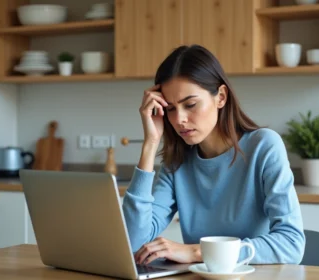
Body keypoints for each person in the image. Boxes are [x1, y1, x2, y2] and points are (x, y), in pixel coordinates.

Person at [122, 44, 305, 266]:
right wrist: (150, 144)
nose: (179, 119)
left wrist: (198, 252)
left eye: (190, 104)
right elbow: (133, 242)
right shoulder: (177, 162)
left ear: (221, 97)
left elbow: (291, 244)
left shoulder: (264, 146)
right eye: (170, 108)